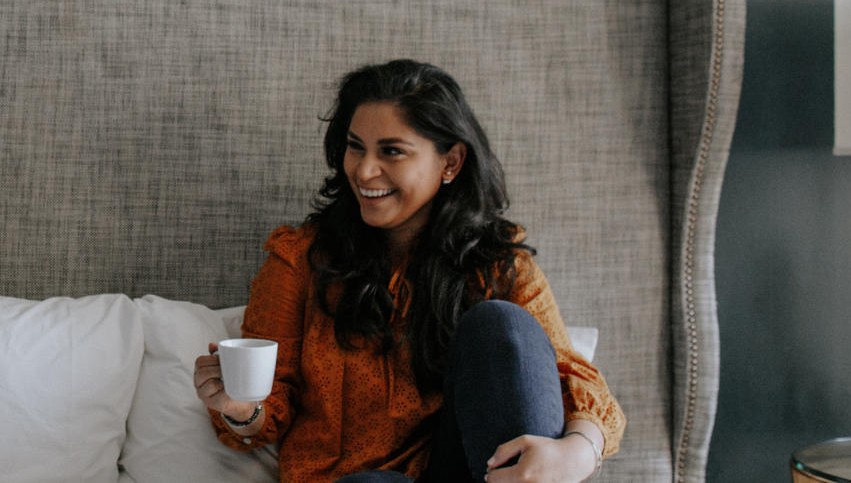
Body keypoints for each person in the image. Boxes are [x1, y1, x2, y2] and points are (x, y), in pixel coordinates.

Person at [192, 60, 624, 483]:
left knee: (501, 324)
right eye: (355, 145)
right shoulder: (301, 257)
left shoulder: (498, 263)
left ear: (450, 162)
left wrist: (576, 454)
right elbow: (268, 414)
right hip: (349, 480)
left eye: (392, 151)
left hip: (475, 471)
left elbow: (578, 384)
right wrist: (240, 409)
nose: (363, 170)